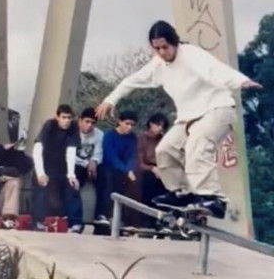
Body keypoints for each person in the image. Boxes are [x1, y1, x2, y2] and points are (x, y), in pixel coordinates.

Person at [94, 20, 261, 218]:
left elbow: (216, 69)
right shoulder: (158, 65)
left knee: (197, 145)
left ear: (175, 43)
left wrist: (241, 80)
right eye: (157, 48)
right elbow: (132, 81)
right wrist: (110, 99)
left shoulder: (191, 55)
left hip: (217, 109)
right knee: (165, 150)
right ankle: (182, 192)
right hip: (188, 117)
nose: (162, 52)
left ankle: (213, 198)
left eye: (165, 47)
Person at [31, 104, 83, 233]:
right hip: (45, 167)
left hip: (62, 169)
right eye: (63, 117)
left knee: (72, 186)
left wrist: (71, 175)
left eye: (69, 118)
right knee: (41, 187)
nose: (66, 121)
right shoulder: (49, 125)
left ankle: (75, 223)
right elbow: (37, 150)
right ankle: (38, 221)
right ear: (57, 117)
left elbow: (71, 151)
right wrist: (40, 173)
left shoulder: (73, 127)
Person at [99, 111, 139, 222]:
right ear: (120, 122)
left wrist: (130, 168)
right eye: (127, 123)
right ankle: (102, 214)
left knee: (133, 183)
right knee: (110, 180)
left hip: (124, 169)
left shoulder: (132, 138)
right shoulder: (109, 135)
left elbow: (132, 155)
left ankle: (123, 217)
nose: (129, 127)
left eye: (132, 124)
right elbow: (110, 156)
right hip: (107, 167)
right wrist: (126, 170)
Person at [74, 107, 109, 229]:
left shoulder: (99, 134)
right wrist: (86, 164)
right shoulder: (72, 131)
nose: (89, 125)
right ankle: (75, 220)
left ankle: (100, 214)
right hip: (76, 164)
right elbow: (68, 154)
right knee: (76, 179)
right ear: (80, 121)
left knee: (104, 177)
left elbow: (98, 153)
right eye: (87, 121)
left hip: (91, 164)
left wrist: (94, 162)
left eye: (93, 123)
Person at [136, 113, 169, 219]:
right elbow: (139, 162)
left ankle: (163, 219)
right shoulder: (142, 138)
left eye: (162, 126)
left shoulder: (163, 139)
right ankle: (148, 219)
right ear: (151, 124)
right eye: (158, 125)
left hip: (161, 169)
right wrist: (152, 168)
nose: (160, 128)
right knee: (149, 181)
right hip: (145, 169)